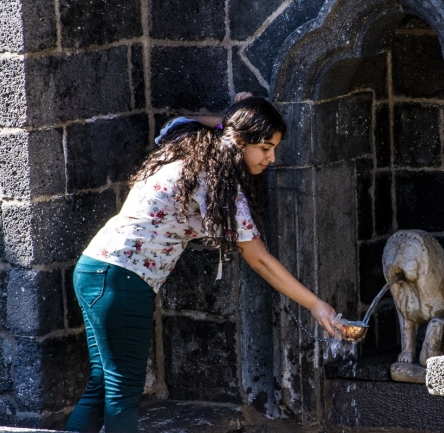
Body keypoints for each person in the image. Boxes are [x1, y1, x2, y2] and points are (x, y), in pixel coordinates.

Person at [63, 93, 343, 433]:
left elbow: (179, 121)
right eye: (266, 147)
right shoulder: (218, 183)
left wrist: (231, 120)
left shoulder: (183, 144)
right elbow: (260, 260)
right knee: (122, 394)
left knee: (102, 386)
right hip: (123, 280)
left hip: (95, 268)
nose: (272, 157)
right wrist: (316, 306)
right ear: (239, 141)